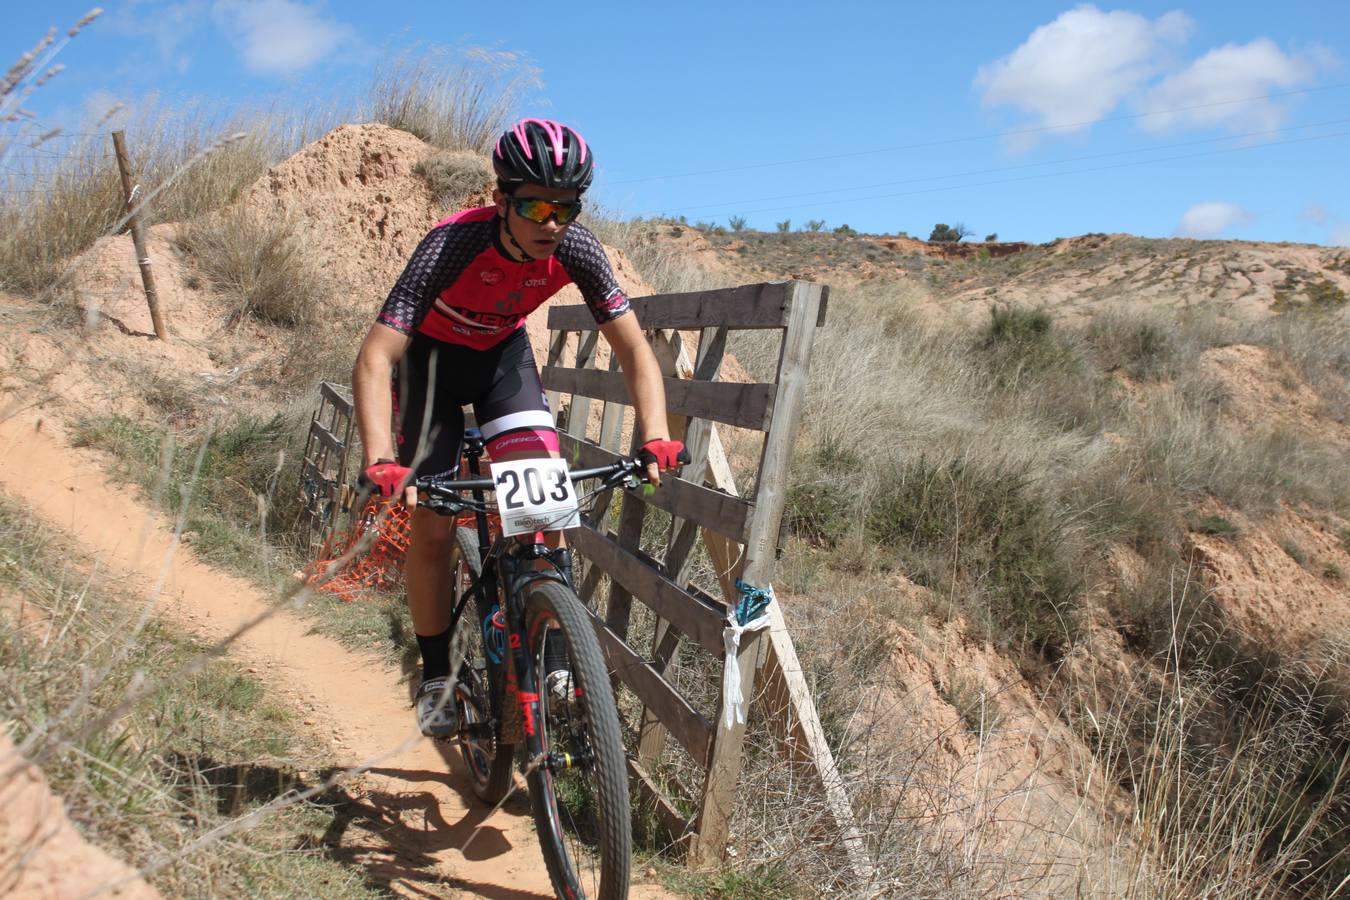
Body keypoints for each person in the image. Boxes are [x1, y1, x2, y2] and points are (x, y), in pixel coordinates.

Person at [351, 118, 687, 737]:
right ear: (501, 198)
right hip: (430, 370)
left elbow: (636, 350)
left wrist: (656, 435)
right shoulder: (451, 245)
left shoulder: (579, 251)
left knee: (545, 506)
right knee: (432, 524)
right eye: (534, 204)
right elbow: (375, 357)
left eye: (566, 207)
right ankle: (434, 677)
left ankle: (557, 653)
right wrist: (380, 457)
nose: (551, 222)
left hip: (502, 362)